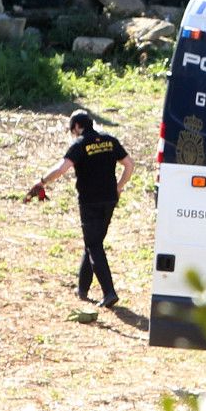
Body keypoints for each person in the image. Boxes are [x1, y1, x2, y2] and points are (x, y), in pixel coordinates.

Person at [27, 109, 135, 308]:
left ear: (77, 126)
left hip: (90, 201)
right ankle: (82, 288)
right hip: (110, 199)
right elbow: (129, 164)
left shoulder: (80, 144)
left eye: (72, 130)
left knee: (94, 245)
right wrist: (119, 187)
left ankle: (109, 292)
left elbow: (61, 169)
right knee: (93, 242)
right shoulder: (110, 140)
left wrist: (42, 182)